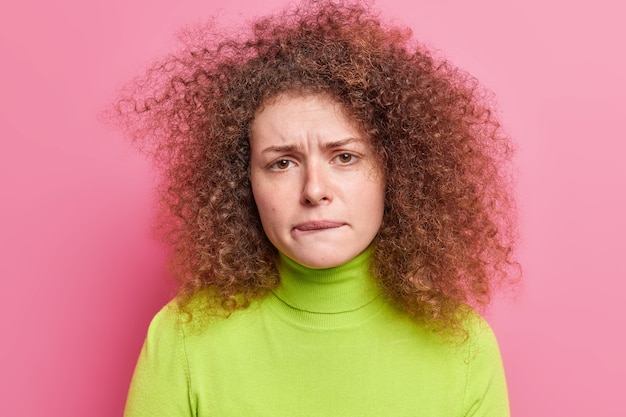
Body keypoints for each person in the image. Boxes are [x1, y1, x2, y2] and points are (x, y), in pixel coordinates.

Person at [115, 0, 518, 415]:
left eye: (344, 157)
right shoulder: (183, 339)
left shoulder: (463, 346)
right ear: (244, 183)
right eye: (282, 163)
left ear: (394, 172)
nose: (314, 190)